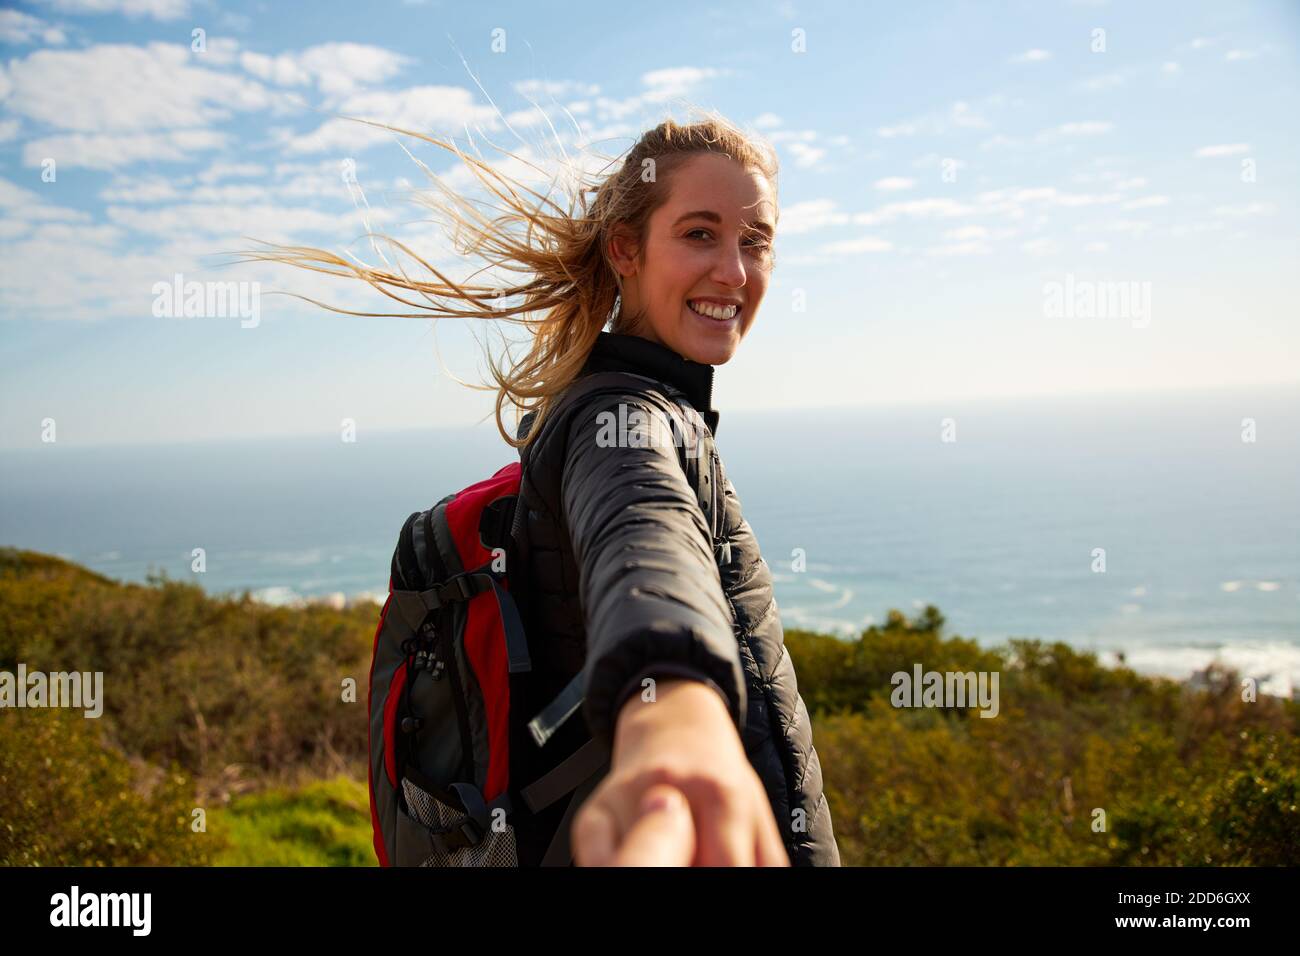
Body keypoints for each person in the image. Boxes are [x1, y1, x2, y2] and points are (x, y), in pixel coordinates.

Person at [243, 109, 840, 867]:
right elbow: (644, 536)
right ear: (626, 249)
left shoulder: (613, 403)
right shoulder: (621, 419)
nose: (734, 271)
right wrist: (677, 708)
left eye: (755, 243)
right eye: (700, 233)